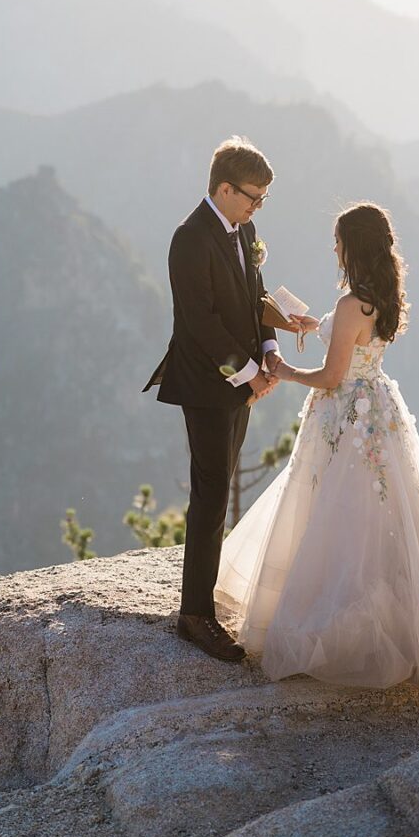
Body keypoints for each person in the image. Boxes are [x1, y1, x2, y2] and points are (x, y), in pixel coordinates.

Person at [216, 202, 419, 688]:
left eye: (339, 240)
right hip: (377, 409)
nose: (334, 248)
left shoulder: (351, 305)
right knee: (380, 511)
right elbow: (351, 341)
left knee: (335, 513)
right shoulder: (376, 299)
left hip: (345, 414)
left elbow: (330, 376)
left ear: (354, 246)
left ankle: (338, 626)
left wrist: (282, 371)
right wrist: (312, 325)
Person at [145, 137, 284, 662]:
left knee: (220, 484)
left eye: (263, 200)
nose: (257, 207)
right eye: (253, 196)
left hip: (242, 381)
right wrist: (248, 374)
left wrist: (269, 349)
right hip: (205, 384)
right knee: (210, 493)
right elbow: (199, 324)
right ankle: (194, 616)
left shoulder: (243, 229)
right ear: (223, 188)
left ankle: (200, 603)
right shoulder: (189, 238)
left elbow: (255, 298)